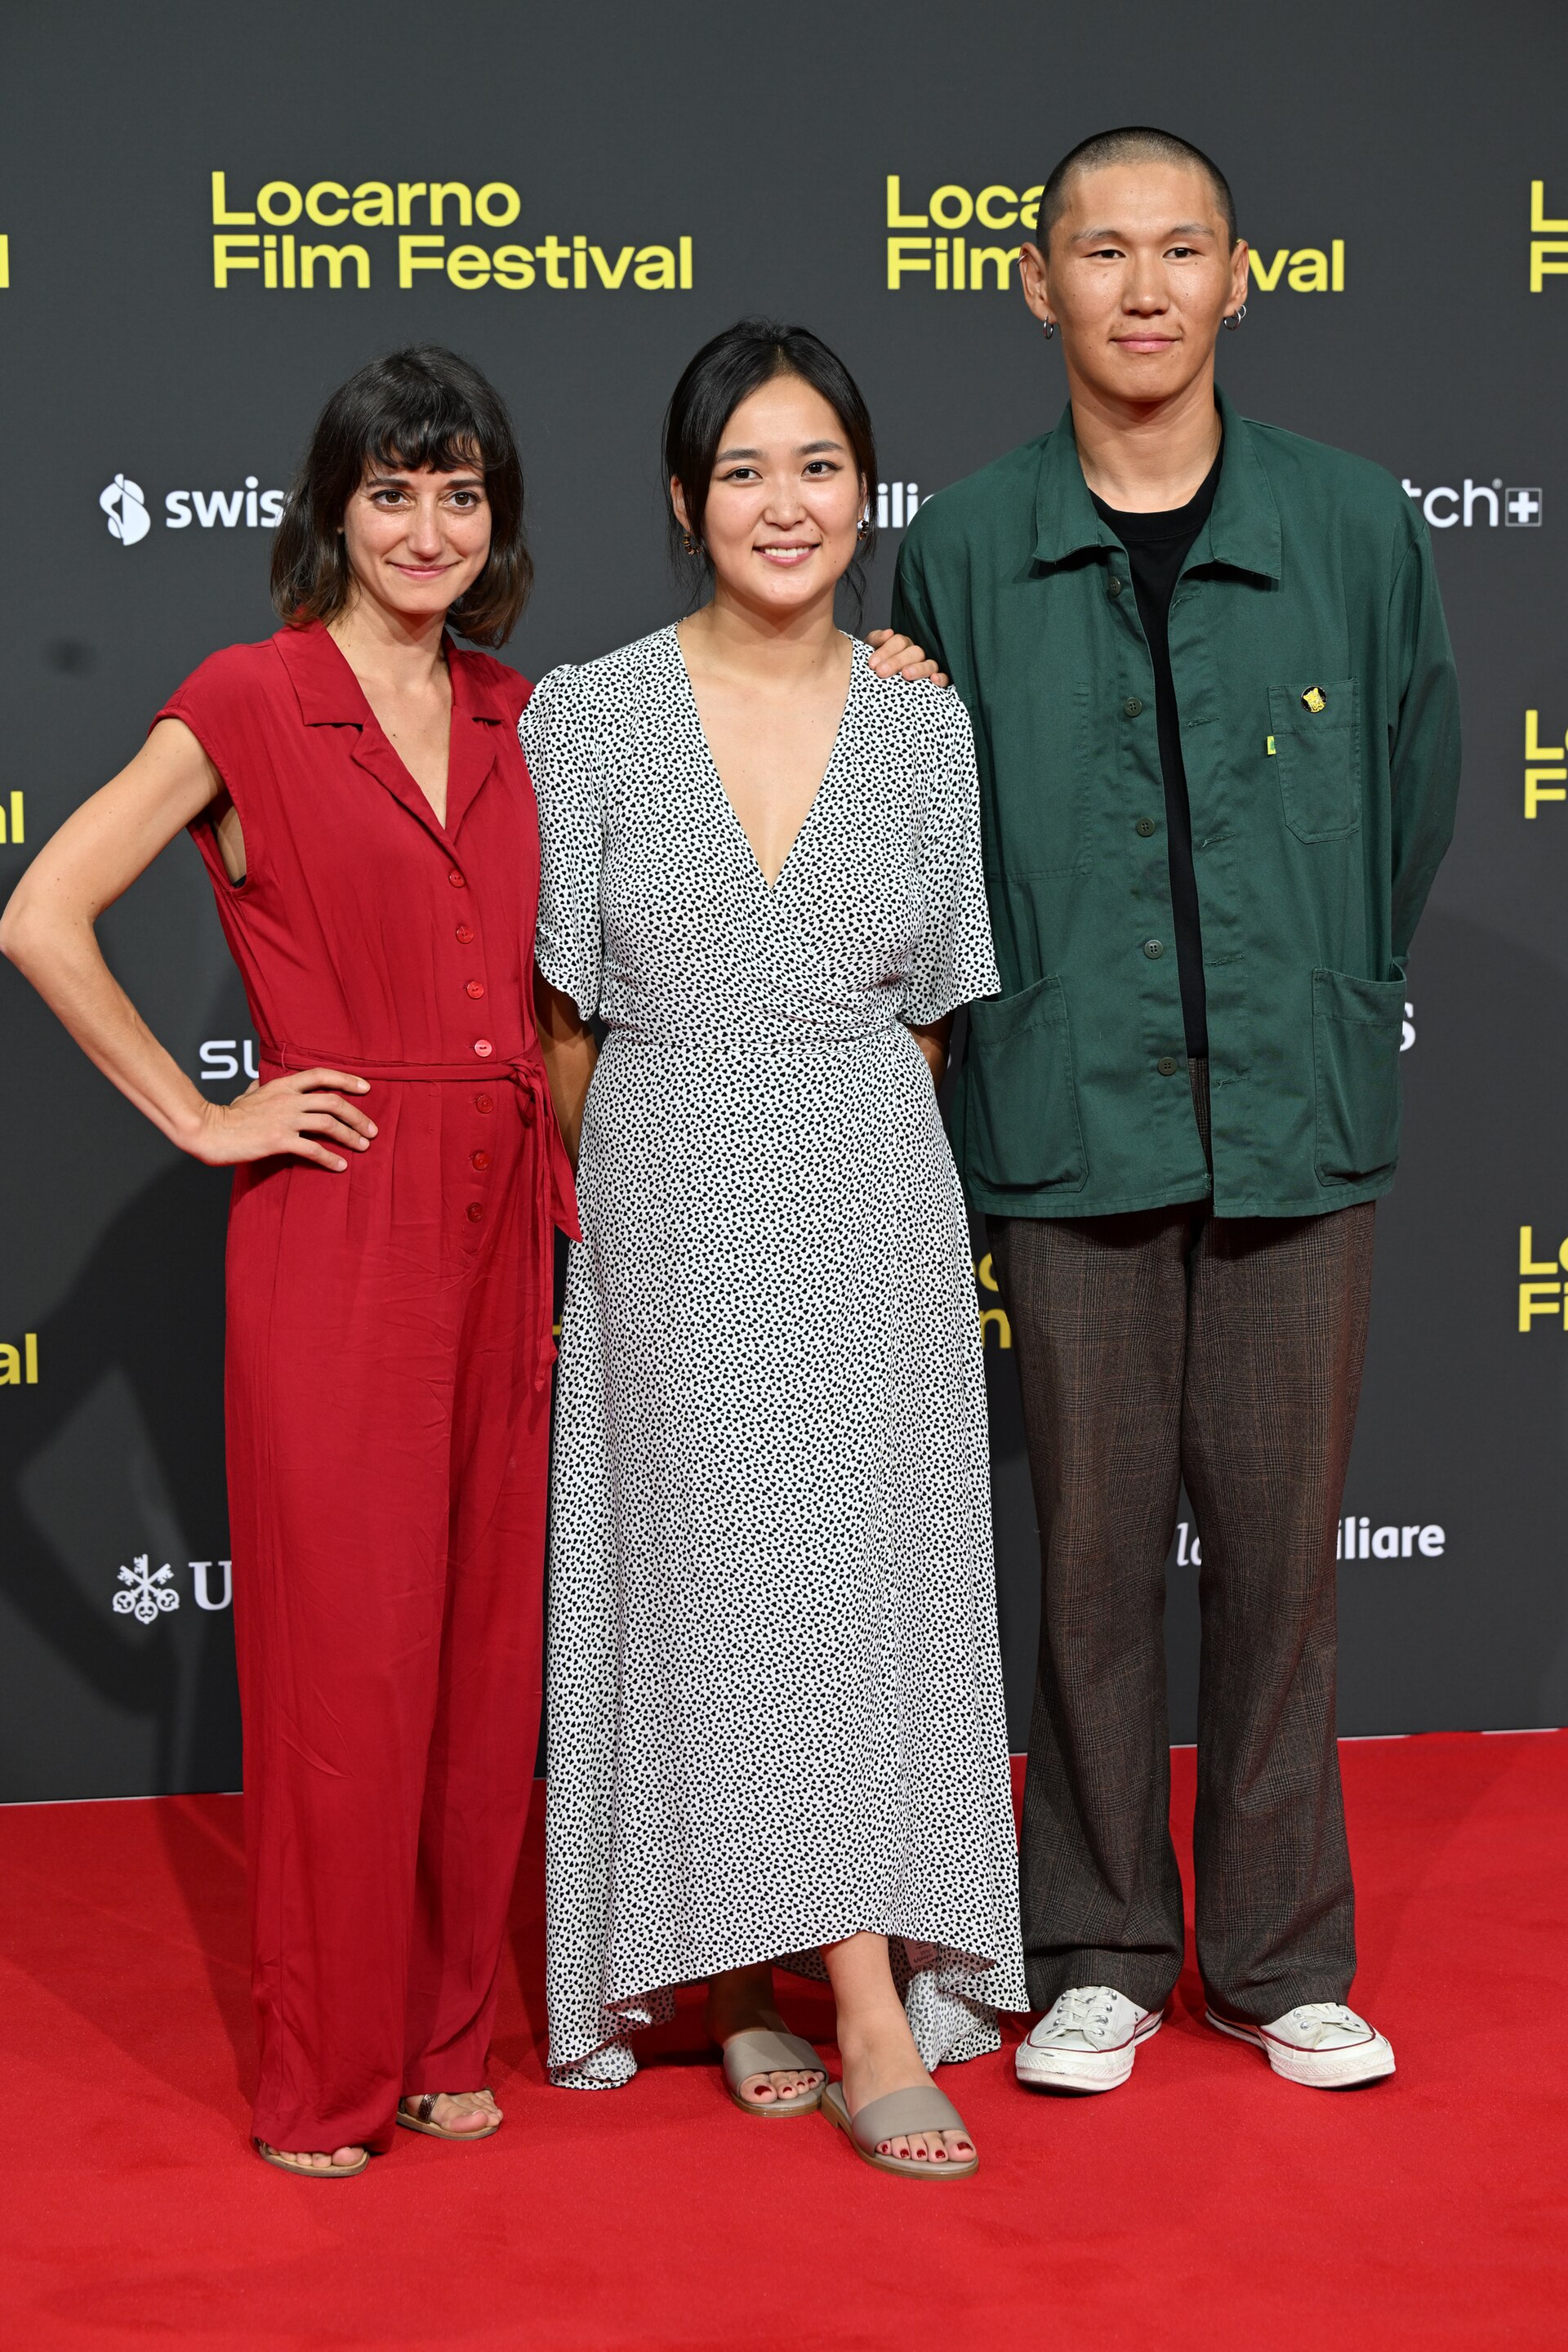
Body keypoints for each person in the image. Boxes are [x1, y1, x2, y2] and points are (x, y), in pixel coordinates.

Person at [893, 128, 1460, 2096]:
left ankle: (1284, 1951)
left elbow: (1414, 793)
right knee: (1093, 1561)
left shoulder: (1358, 525)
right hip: (1069, 1125)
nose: (1142, 287)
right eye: (1101, 252)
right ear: (1033, 283)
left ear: (1242, 277)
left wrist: (1323, 996)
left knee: (1286, 1566)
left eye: (1181, 250)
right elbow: (928, 848)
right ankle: (1105, 1947)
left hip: (1299, 1125)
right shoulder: (962, 547)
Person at [0, 346, 580, 2176]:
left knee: (489, 1653)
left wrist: (882, 673)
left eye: (459, 493)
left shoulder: (516, 710)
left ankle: (439, 2038)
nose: (427, 526)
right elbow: (42, 910)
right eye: (392, 490)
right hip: (346, 1210)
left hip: (513, 1198)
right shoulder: (248, 698)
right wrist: (202, 1111)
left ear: (497, 521)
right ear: (332, 508)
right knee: (351, 1662)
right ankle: (322, 2080)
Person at [528, 318, 1026, 2179]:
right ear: (684, 502)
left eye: (817, 465)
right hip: (667, 1197)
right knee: (711, 1597)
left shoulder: (924, 720)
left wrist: (821, 1146)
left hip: (872, 1198)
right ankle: (776, 1979)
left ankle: (846, 1977)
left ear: (863, 492)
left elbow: (935, 1016)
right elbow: (566, 1024)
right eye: (743, 469)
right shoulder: (586, 714)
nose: (784, 502)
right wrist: (670, 1193)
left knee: (854, 1598)